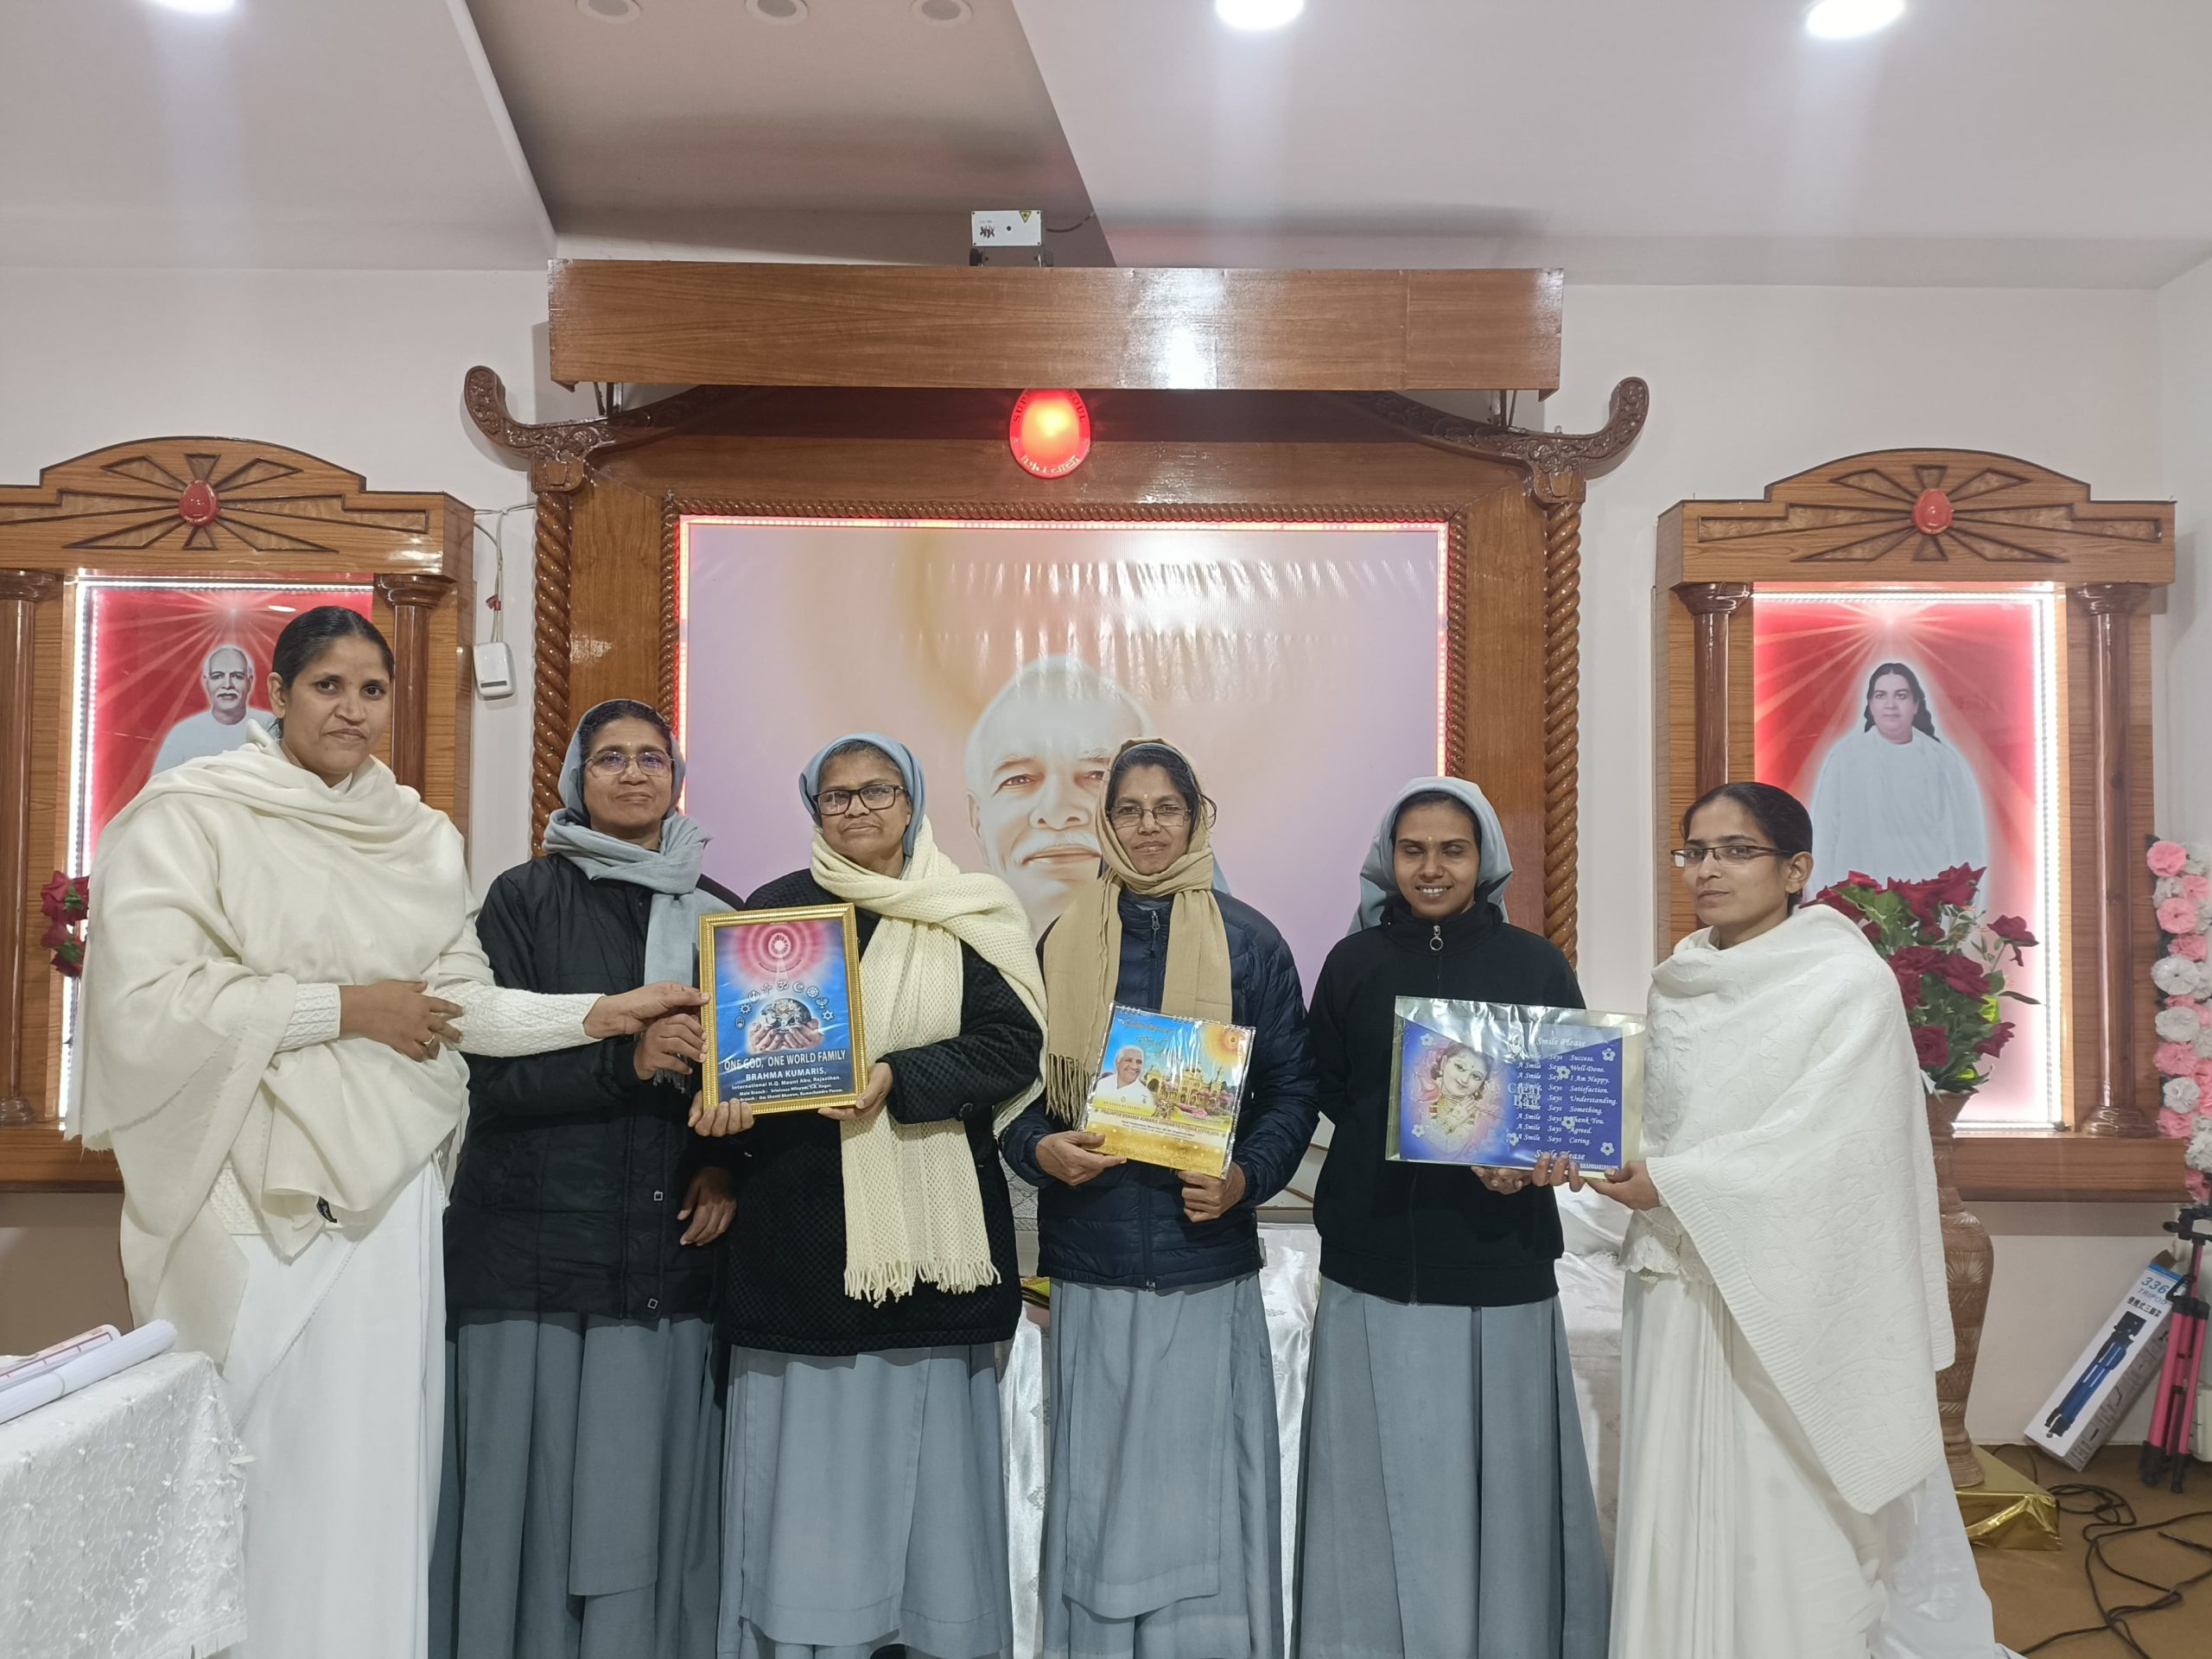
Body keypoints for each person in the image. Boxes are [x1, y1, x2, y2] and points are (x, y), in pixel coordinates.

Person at [73, 608, 701, 1659]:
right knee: (261, 1456)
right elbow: (147, 1006)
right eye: (328, 686)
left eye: (372, 690)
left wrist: (596, 1014)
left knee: (375, 1468)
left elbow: (461, 1005)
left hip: (394, 1194)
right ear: (278, 694)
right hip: (256, 1186)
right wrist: (348, 1008)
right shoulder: (189, 816)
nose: (351, 710)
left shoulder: (417, 837)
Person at [1593, 782, 2005, 1659]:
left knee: (1780, 1506)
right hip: (1678, 1279)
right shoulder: (1681, 978)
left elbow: (1831, 1145)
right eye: (1695, 851)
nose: (1707, 870)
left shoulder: (1846, 983)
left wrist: (1676, 1181)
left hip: (1789, 1288)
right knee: (1675, 1495)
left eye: (1735, 850)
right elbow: (1664, 1119)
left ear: (1795, 869)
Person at [700, 733, 1046, 1659]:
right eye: (836, 796)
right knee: (806, 1492)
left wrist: (896, 1075)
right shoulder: (771, 915)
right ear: (813, 809)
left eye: (876, 791)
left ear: (912, 800)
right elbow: (734, 1051)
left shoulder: (969, 911)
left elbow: (1012, 1048)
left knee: (931, 1498)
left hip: (931, 1255)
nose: (857, 809)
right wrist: (722, 1098)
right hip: (800, 1239)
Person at [432, 699, 743, 1659]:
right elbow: (489, 1072)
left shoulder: (728, 916)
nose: (634, 773)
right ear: (576, 779)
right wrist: (627, 1058)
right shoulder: (523, 900)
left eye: (653, 757)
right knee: (523, 1507)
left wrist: (727, 1164)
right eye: (611, 758)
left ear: (677, 776)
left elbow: (757, 1077)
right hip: (531, 1260)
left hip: (663, 1257)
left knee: (638, 1501)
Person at [1001, 739, 1317, 1659]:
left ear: (1196, 817)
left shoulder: (1250, 942)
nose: (1147, 827)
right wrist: (1041, 1151)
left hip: (1202, 1258)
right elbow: (1017, 1095)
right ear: (1107, 823)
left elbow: (1293, 1092)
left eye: (1165, 809)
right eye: (1129, 810)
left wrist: (1245, 1178)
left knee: (1201, 1491)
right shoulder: (1062, 940)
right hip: (1092, 1262)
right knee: (1099, 1494)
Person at [1295, 777, 1607, 1659]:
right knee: (1375, 1482)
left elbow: (1565, 1109)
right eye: (1413, 850)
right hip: (1373, 1256)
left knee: (1501, 1486)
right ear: (1387, 860)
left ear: (1485, 860)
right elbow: (1323, 1089)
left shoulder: (1535, 965)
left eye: (1453, 850)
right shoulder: (1351, 965)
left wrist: (1532, 1161)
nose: (1431, 868)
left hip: (1498, 1256)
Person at [964, 654, 1147, 939]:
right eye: (1019, 779)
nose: (1057, 813)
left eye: (1097, 775)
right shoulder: (944, 956)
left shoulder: (1208, 941)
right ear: (978, 824)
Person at [1808, 660, 1989, 884]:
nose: (1890, 705)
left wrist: (1964, 897)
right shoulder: (1845, 758)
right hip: (1862, 893)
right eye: (1881, 696)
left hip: (1928, 891)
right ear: (1870, 704)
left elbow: (1966, 836)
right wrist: (1822, 894)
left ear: (1916, 705)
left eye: (1901, 696)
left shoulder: (1943, 761)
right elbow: (1825, 833)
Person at [151, 642, 264, 772]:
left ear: (250, 682)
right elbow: (160, 783)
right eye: (218, 676)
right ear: (206, 682)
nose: (227, 685)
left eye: (237, 676)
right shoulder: (182, 733)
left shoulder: (271, 727)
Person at [1090, 1042, 1159, 1109]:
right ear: (1117, 1064)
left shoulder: (1147, 1098)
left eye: (1139, 1062)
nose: (1134, 1066)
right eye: (1129, 1060)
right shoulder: (1100, 1085)